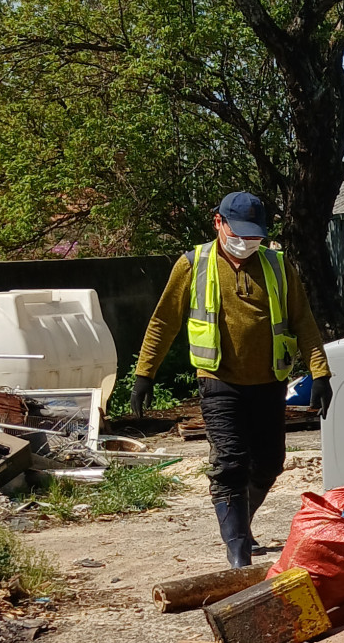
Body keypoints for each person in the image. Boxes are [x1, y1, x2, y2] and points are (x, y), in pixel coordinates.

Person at [131, 191, 332, 568]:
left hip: (269, 381)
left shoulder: (277, 265)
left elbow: (303, 320)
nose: (246, 243)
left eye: (254, 236)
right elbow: (163, 322)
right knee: (230, 463)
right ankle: (238, 551)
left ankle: (240, 522)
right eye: (238, 234)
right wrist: (145, 373)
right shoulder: (193, 265)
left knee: (269, 463)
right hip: (218, 380)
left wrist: (319, 372)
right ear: (218, 223)